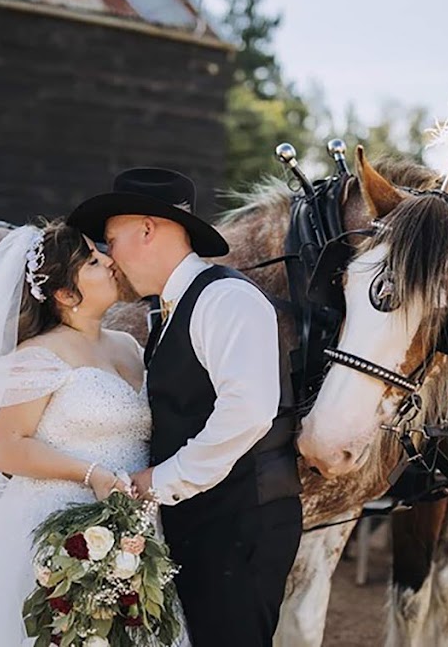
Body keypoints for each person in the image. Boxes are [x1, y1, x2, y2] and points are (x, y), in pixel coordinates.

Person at [0, 219, 172, 645]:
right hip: (56, 533)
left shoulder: (129, 347)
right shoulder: (36, 357)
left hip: (135, 531)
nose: (110, 262)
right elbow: (5, 448)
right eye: (94, 262)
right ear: (65, 294)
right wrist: (92, 474)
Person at [68, 168, 303, 647]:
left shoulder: (226, 299)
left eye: (111, 239)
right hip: (205, 522)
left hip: (241, 524)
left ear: (148, 229)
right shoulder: (175, 308)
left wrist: (160, 480)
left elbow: (250, 412)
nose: (109, 256)